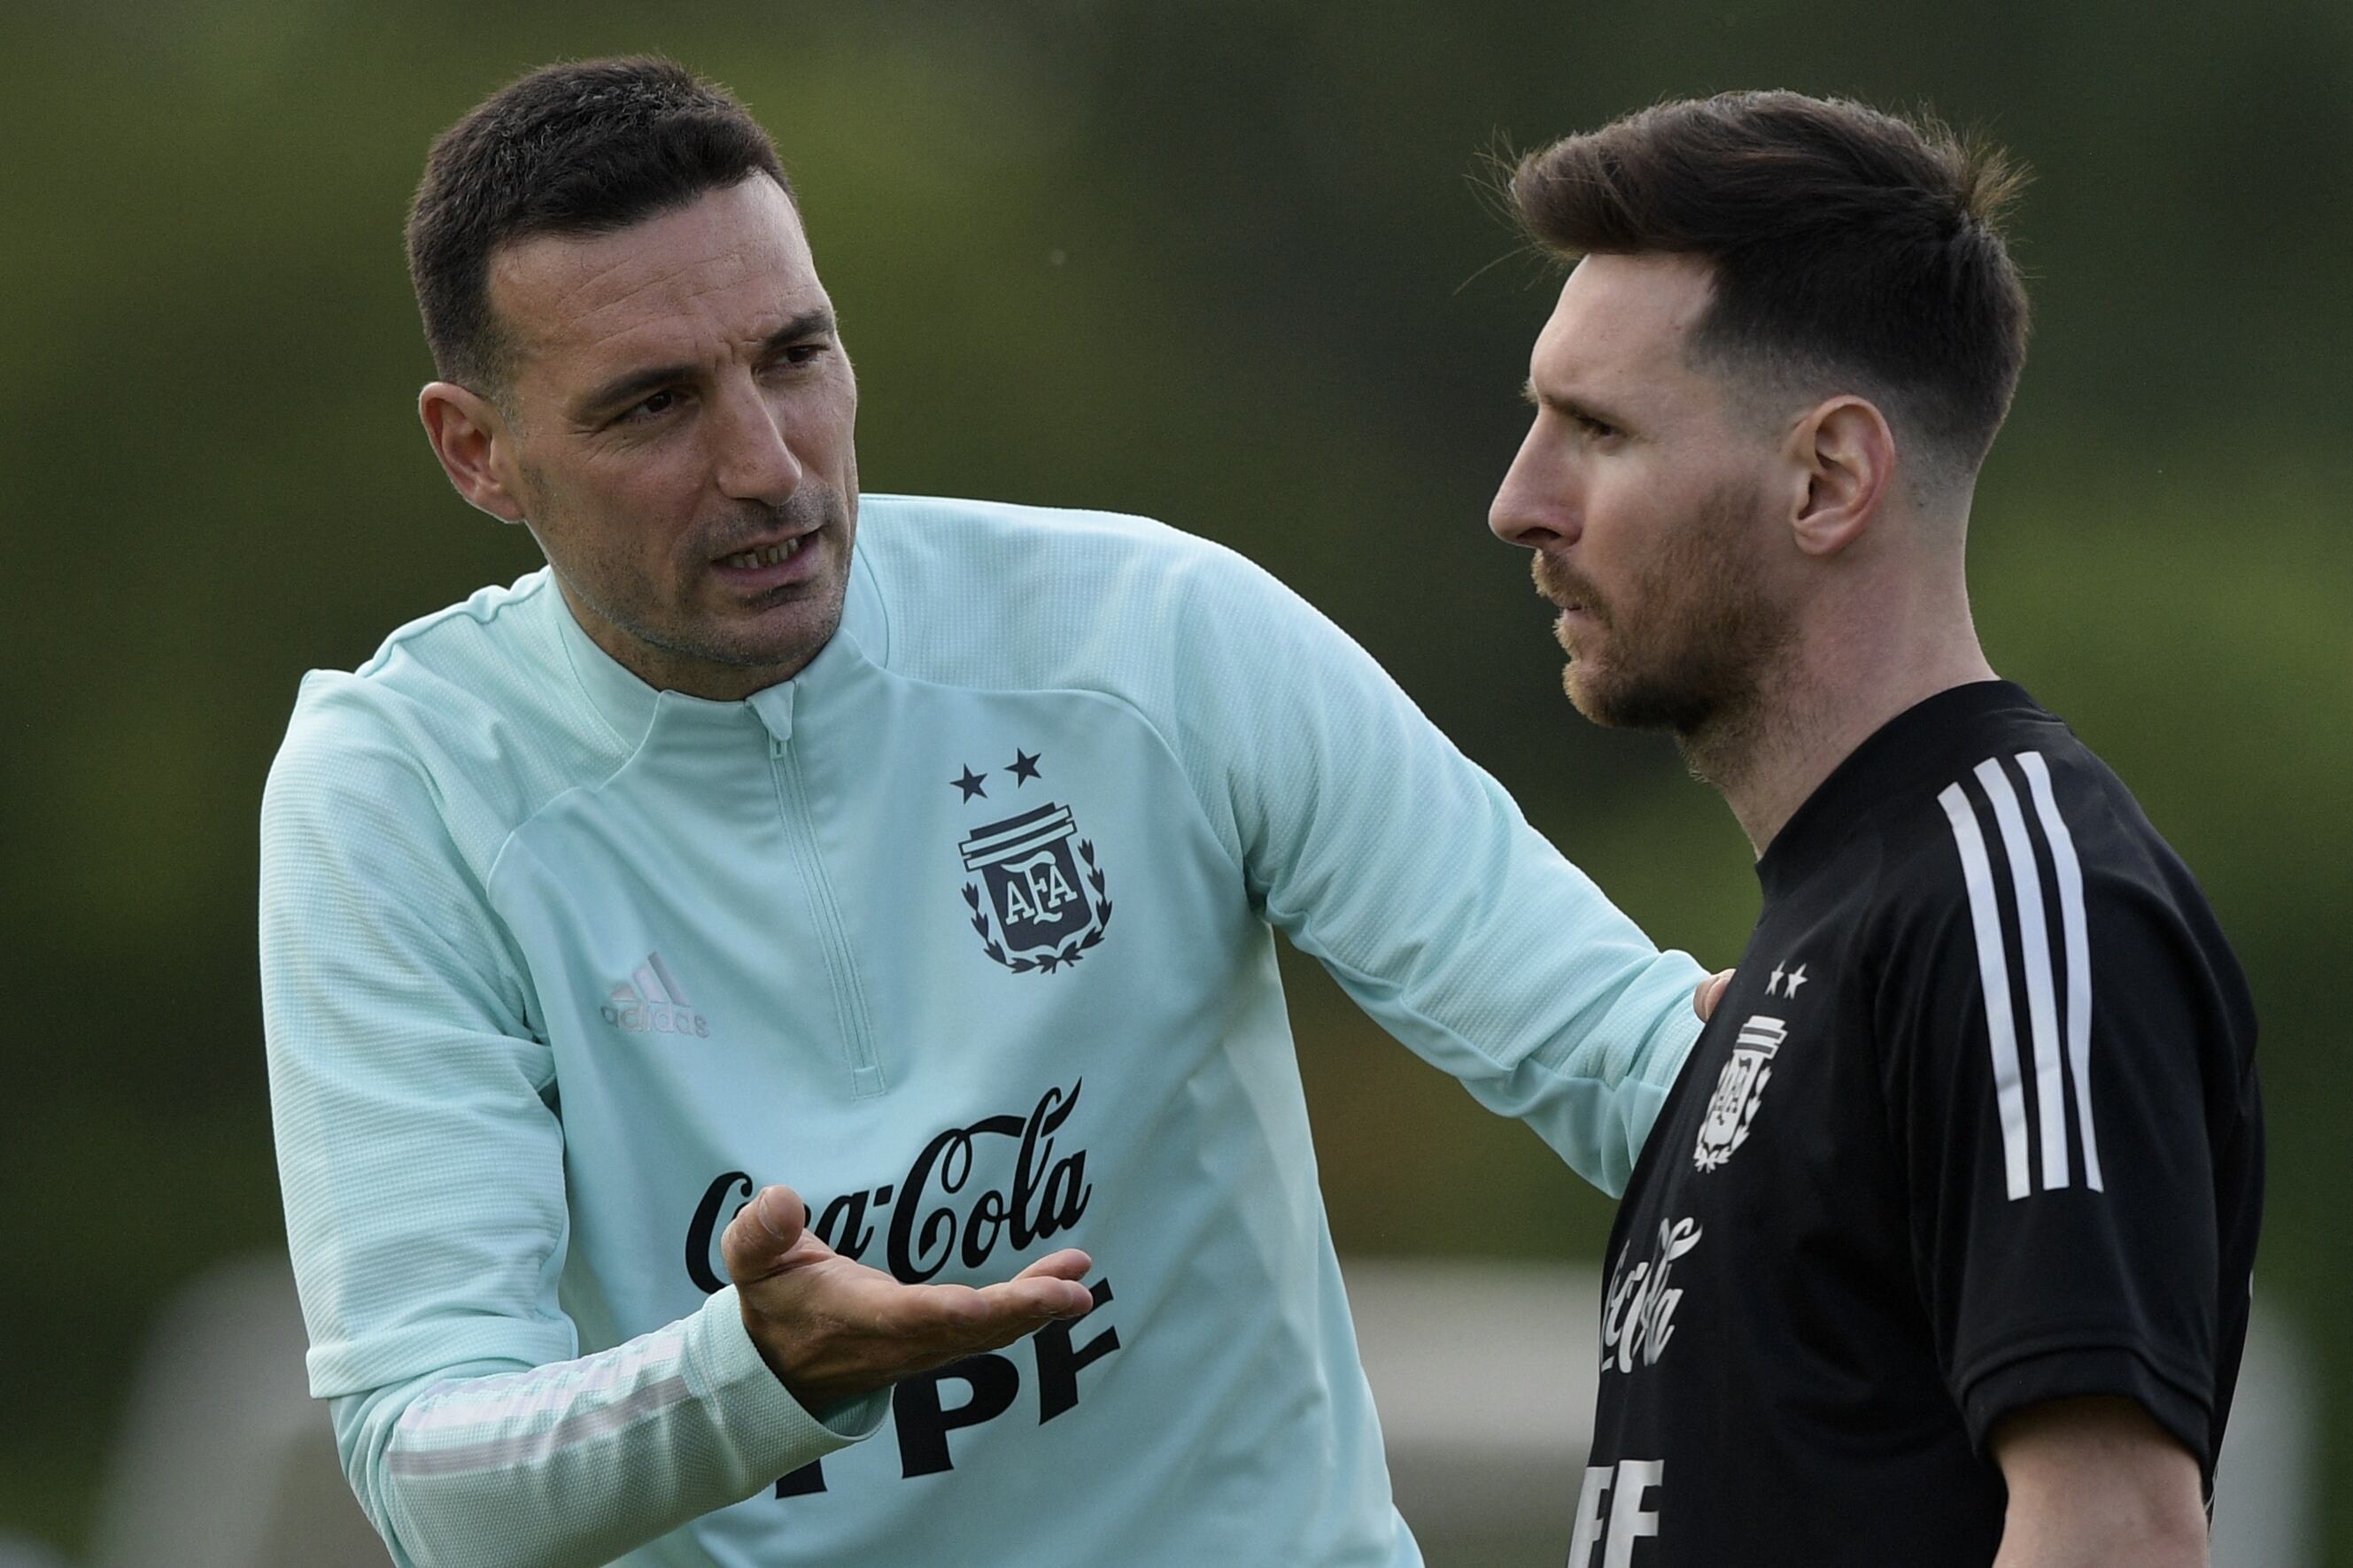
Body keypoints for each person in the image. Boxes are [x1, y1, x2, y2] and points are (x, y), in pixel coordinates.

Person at [259, 57, 1719, 1568]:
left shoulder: (1154, 636)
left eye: (792, 355)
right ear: (476, 450)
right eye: (651, 407)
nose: (765, 465)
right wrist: (749, 1374)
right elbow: (430, 1475)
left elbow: (1627, 1066)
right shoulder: (402, 795)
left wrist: (1876, 1087)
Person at [1486, 91, 2264, 1567]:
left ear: (1827, 478)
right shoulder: (1824, 939)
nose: (1518, 503)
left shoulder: (2021, 903)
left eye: (1594, 430)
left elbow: (2110, 1534)